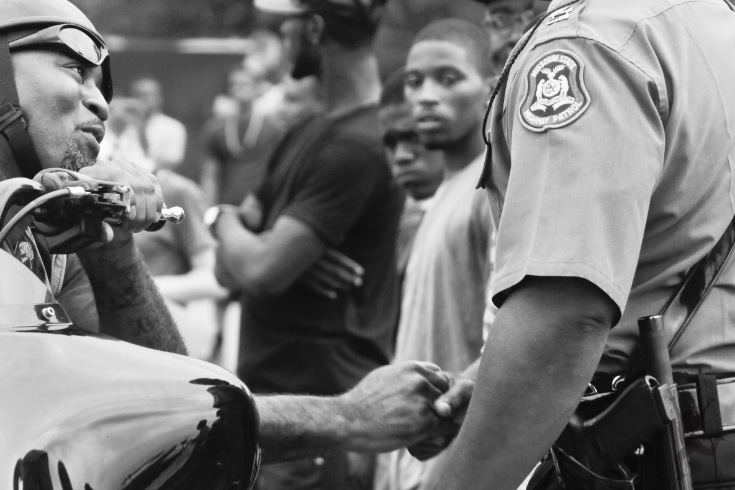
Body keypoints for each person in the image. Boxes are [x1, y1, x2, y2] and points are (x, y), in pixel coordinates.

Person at [0, 0, 468, 475]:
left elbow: (172, 410)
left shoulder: (48, 240)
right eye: (76, 71)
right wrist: (350, 416)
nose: (101, 102)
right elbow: (248, 266)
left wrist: (113, 246)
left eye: (102, 86)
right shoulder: (311, 135)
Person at [426, 0, 735, 488]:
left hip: (664, 454)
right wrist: (497, 385)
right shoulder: (709, 21)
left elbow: (565, 317)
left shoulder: (590, 41)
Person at [211, 0, 406, 487]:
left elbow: (258, 270)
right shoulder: (306, 131)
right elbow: (226, 268)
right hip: (275, 409)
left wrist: (232, 226)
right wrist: (237, 228)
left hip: (321, 422)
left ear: (314, 29)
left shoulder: (355, 147)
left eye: (290, 27)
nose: (284, 38)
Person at [380, 18, 495, 490]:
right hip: (412, 465)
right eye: (414, 81)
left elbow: (504, 343)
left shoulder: (490, 190)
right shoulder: (443, 193)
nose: (426, 95)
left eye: (448, 79)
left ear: (490, 89)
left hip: (457, 465)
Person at [378, 69, 444, 288]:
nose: (401, 156)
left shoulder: (489, 209)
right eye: (391, 143)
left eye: (413, 137)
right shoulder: (388, 216)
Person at [201, 60, 283, 206]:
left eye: (245, 83)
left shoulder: (273, 127)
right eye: (233, 84)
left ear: (257, 87)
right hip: (227, 205)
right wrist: (208, 209)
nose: (239, 88)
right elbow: (211, 173)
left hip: (261, 207)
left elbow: (279, 172)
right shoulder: (215, 127)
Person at [129, 76, 188, 171]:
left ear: (159, 97)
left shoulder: (174, 127)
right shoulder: (122, 127)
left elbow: (173, 159)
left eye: (149, 95)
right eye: (139, 94)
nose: (144, 99)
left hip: (160, 177)